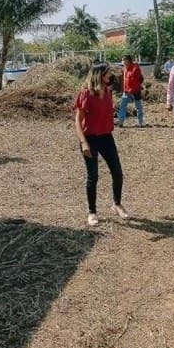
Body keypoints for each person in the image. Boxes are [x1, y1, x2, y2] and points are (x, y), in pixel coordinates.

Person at [74, 62, 130, 226]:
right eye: (108, 73)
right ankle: (92, 212)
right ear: (99, 75)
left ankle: (117, 204)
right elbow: (78, 120)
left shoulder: (108, 91)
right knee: (93, 177)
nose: (111, 76)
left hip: (106, 137)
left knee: (117, 172)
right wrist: (84, 143)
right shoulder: (86, 93)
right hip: (90, 139)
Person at [116, 55, 145, 127]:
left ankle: (140, 122)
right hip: (126, 91)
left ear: (128, 60)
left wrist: (137, 86)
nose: (123, 62)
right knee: (122, 106)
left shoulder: (135, 68)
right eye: (122, 60)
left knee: (138, 107)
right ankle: (121, 122)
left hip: (135, 90)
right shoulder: (125, 69)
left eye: (124, 60)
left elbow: (141, 79)